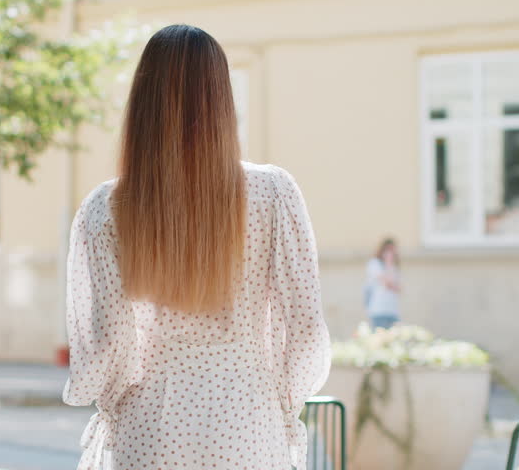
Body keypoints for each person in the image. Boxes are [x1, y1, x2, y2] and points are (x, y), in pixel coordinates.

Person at [62, 24, 331, 470]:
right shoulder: (273, 194)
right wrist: (280, 402)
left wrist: (101, 397)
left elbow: (109, 345)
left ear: (143, 104)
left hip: (150, 431)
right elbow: (306, 333)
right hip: (247, 425)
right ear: (222, 101)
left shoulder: (107, 208)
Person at [364, 238, 401, 330]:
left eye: (393, 250)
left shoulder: (395, 267)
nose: (391, 254)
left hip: (393, 311)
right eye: (388, 250)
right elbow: (387, 282)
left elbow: (399, 288)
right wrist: (388, 264)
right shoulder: (375, 264)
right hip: (379, 310)